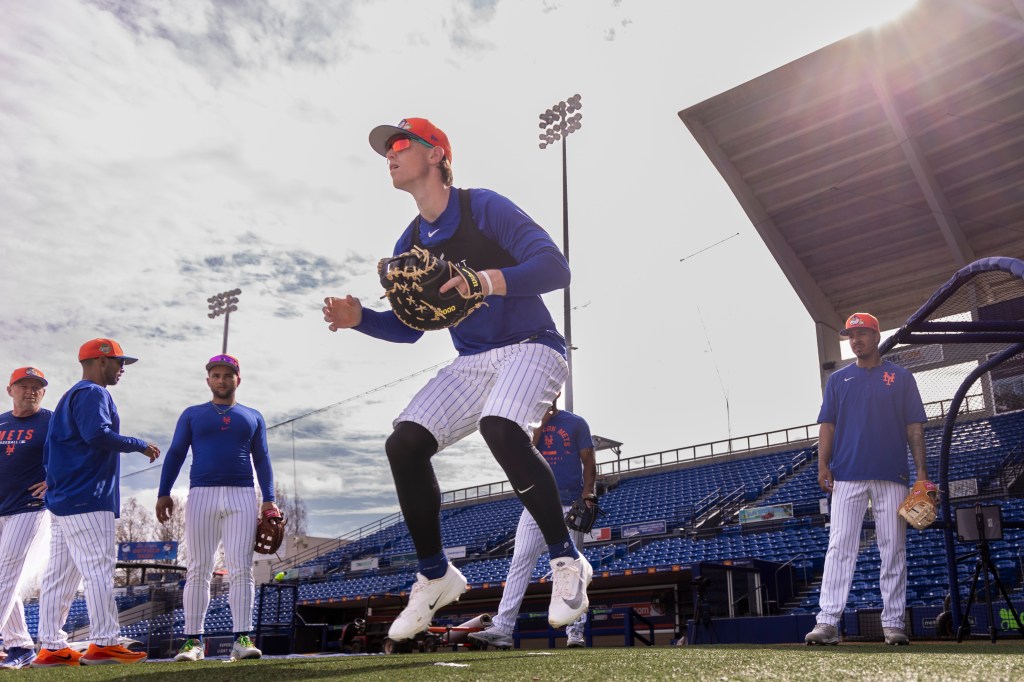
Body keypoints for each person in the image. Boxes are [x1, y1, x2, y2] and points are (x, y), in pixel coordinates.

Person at [322, 117, 591, 641]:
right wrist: (362, 321)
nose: (390, 154)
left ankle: (567, 560)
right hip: (471, 360)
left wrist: (484, 281)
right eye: (387, 149)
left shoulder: (481, 206)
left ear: (437, 154)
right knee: (403, 443)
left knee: (500, 427)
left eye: (401, 144)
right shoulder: (411, 238)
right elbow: (411, 330)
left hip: (533, 345)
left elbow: (556, 269)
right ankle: (435, 572)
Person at [32, 339, 160, 667]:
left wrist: (56, 484)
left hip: (65, 499)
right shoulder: (93, 392)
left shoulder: (69, 397)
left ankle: (51, 646)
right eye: (118, 362)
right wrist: (138, 444)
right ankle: (104, 642)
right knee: (98, 569)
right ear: (100, 361)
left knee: (59, 577)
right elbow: (98, 434)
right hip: (88, 498)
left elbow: (51, 450)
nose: (121, 369)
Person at [804, 313, 928, 646]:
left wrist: (921, 474)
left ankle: (893, 623)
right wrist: (822, 465)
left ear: (876, 336)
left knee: (893, 549)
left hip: (893, 474)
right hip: (847, 474)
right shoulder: (838, 380)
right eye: (850, 335)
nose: (855, 340)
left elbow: (914, 426)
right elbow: (827, 425)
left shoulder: (900, 377)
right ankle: (827, 622)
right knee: (839, 547)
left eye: (861, 333)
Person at [156, 354, 278, 662]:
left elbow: (262, 459)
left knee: (241, 568)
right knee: (198, 568)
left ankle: (242, 638)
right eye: (216, 374)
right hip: (202, 494)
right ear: (208, 380)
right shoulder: (192, 414)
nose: (222, 380)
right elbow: (175, 453)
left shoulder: (252, 415)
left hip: (242, 494)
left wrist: (269, 498)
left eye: (228, 375)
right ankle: (193, 642)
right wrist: (164, 492)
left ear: (239, 379)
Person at [469, 394, 597, 649]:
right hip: (535, 503)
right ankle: (503, 628)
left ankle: (575, 631)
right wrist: (541, 422)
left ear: (556, 393)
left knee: (571, 568)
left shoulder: (576, 422)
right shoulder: (525, 425)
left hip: (569, 502)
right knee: (520, 561)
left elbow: (588, 460)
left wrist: (589, 494)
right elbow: (527, 452)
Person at [0, 368, 51, 669]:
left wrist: (55, 478)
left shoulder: (54, 421)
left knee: (6, 572)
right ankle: (20, 646)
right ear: (10, 390)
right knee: (7, 578)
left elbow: (81, 451)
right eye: (23, 385)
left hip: (31, 507)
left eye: (37, 387)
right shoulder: (1, 422)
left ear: (43, 393)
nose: (30, 390)